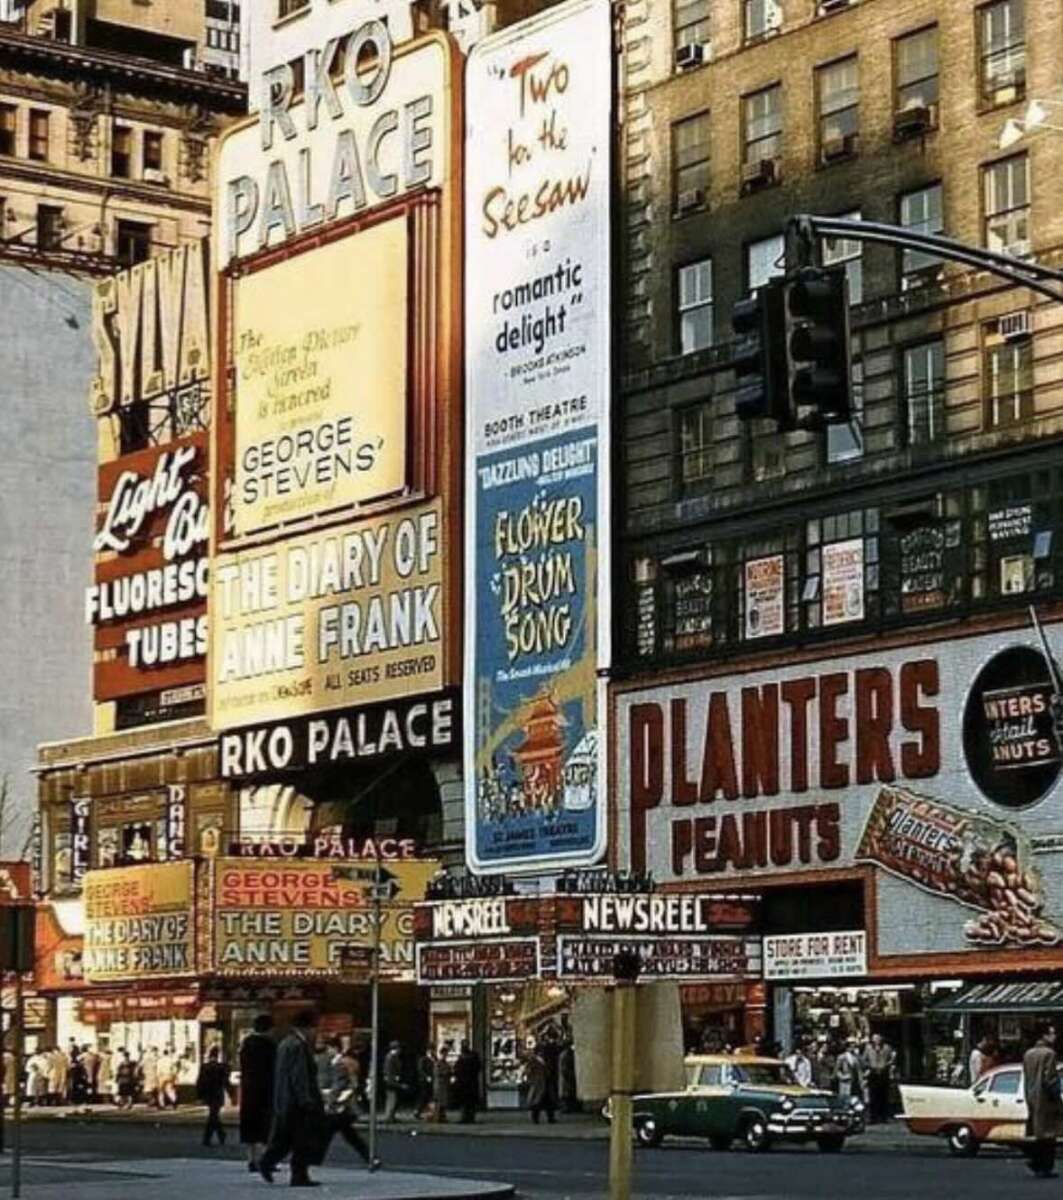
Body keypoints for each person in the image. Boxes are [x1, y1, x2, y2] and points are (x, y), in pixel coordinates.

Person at [1024, 1023, 1062, 1179]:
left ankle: (1036, 1162)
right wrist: (1057, 1096)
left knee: (1039, 1133)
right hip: (1046, 1098)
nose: (1055, 1036)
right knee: (1049, 1134)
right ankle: (1044, 1166)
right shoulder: (1049, 1054)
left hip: (1032, 1096)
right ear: (1044, 1036)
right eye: (1052, 1033)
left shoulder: (1028, 1054)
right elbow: (1050, 1078)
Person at [239, 1015, 276, 1175]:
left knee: (249, 1126)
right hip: (265, 1090)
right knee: (264, 1127)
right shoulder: (269, 1045)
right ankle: (264, 1160)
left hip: (248, 1089)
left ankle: (251, 1160)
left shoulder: (246, 1043)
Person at [196, 1045, 230, 1147]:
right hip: (218, 1094)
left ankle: (211, 1137)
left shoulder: (205, 1067)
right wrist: (231, 1093)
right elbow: (226, 1082)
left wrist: (199, 1095)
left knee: (213, 1115)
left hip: (208, 1094)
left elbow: (200, 1082)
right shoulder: (222, 1067)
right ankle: (218, 1135)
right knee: (213, 1115)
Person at [863, 1034, 896, 1124]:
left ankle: (884, 1116)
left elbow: (892, 1059)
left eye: (878, 1039)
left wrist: (887, 1065)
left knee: (884, 1095)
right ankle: (873, 1117)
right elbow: (864, 1059)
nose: (876, 1040)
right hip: (873, 1072)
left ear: (881, 1039)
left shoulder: (887, 1048)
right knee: (873, 1095)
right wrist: (869, 1066)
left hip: (883, 1072)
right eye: (874, 1039)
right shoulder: (868, 1048)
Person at [523, 1044, 556, 1125]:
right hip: (538, 1083)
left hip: (545, 1082)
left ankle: (550, 1118)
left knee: (548, 1102)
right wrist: (531, 1080)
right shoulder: (533, 1060)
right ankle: (536, 1118)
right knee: (538, 1102)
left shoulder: (543, 1060)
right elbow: (528, 1071)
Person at [453, 1041, 480, 1125]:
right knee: (469, 1101)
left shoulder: (463, 1057)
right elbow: (478, 1067)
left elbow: (457, 1068)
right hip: (470, 1082)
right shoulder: (473, 1056)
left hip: (465, 1083)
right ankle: (469, 1117)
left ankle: (466, 1117)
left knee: (465, 1101)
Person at [382, 1040, 404, 1123]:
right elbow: (389, 1071)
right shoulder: (390, 1057)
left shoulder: (393, 1057)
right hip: (391, 1081)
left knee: (394, 1099)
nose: (400, 1050)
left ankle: (391, 1116)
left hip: (392, 1080)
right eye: (398, 1048)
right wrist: (394, 1079)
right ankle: (389, 1117)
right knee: (392, 1099)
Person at [559, 1039, 580, 1113]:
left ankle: (568, 1107)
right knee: (567, 1093)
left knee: (567, 1092)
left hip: (567, 1075)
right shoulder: (566, 1054)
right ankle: (567, 1108)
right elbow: (564, 1067)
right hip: (567, 1075)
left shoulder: (565, 1054)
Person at [415, 1046, 436, 1120]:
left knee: (430, 1096)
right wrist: (426, 1076)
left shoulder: (434, 1058)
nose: (432, 1052)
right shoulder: (423, 1059)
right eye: (431, 1051)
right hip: (424, 1081)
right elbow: (420, 1069)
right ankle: (418, 1111)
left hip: (432, 1080)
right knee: (424, 1096)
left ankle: (428, 1113)